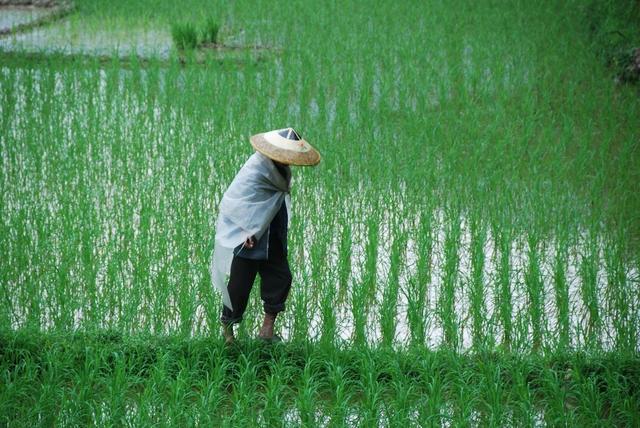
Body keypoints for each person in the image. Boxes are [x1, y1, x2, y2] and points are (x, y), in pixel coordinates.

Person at [210, 127, 321, 344]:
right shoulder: (256, 169)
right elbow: (236, 201)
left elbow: (272, 201)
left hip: (274, 231)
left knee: (280, 278)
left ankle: (267, 330)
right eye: (286, 157)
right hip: (249, 236)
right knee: (239, 284)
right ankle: (227, 333)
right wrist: (245, 229)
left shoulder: (279, 170)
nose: (288, 161)